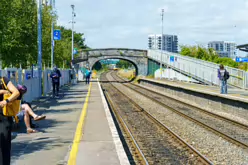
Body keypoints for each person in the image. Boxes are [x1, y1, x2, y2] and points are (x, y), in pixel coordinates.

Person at [0, 76, 20, 165]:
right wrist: (2, 91)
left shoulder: (3, 80)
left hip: (4, 117)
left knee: (4, 146)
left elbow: (16, 92)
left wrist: (6, 101)